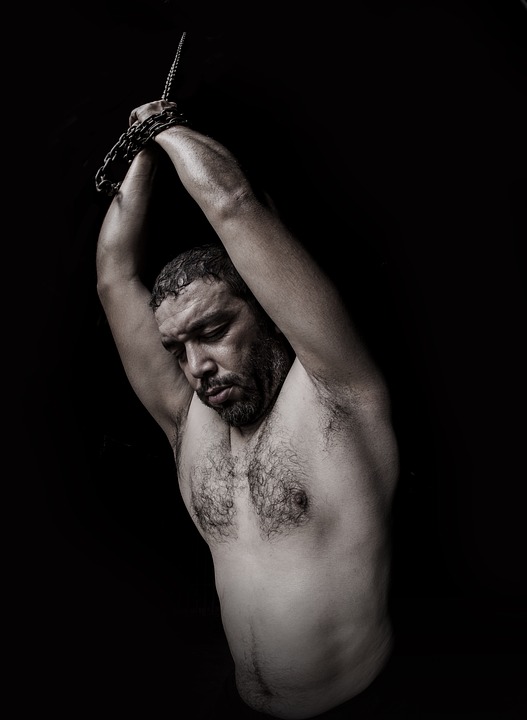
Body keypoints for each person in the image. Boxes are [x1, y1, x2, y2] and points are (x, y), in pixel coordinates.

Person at [96, 98, 400, 719]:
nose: (196, 366)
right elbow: (113, 278)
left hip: (355, 705)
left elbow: (232, 204)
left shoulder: (339, 399)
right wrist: (139, 153)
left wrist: (163, 127)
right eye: (177, 349)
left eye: (213, 332)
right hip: (240, 706)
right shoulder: (188, 422)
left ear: (267, 314)